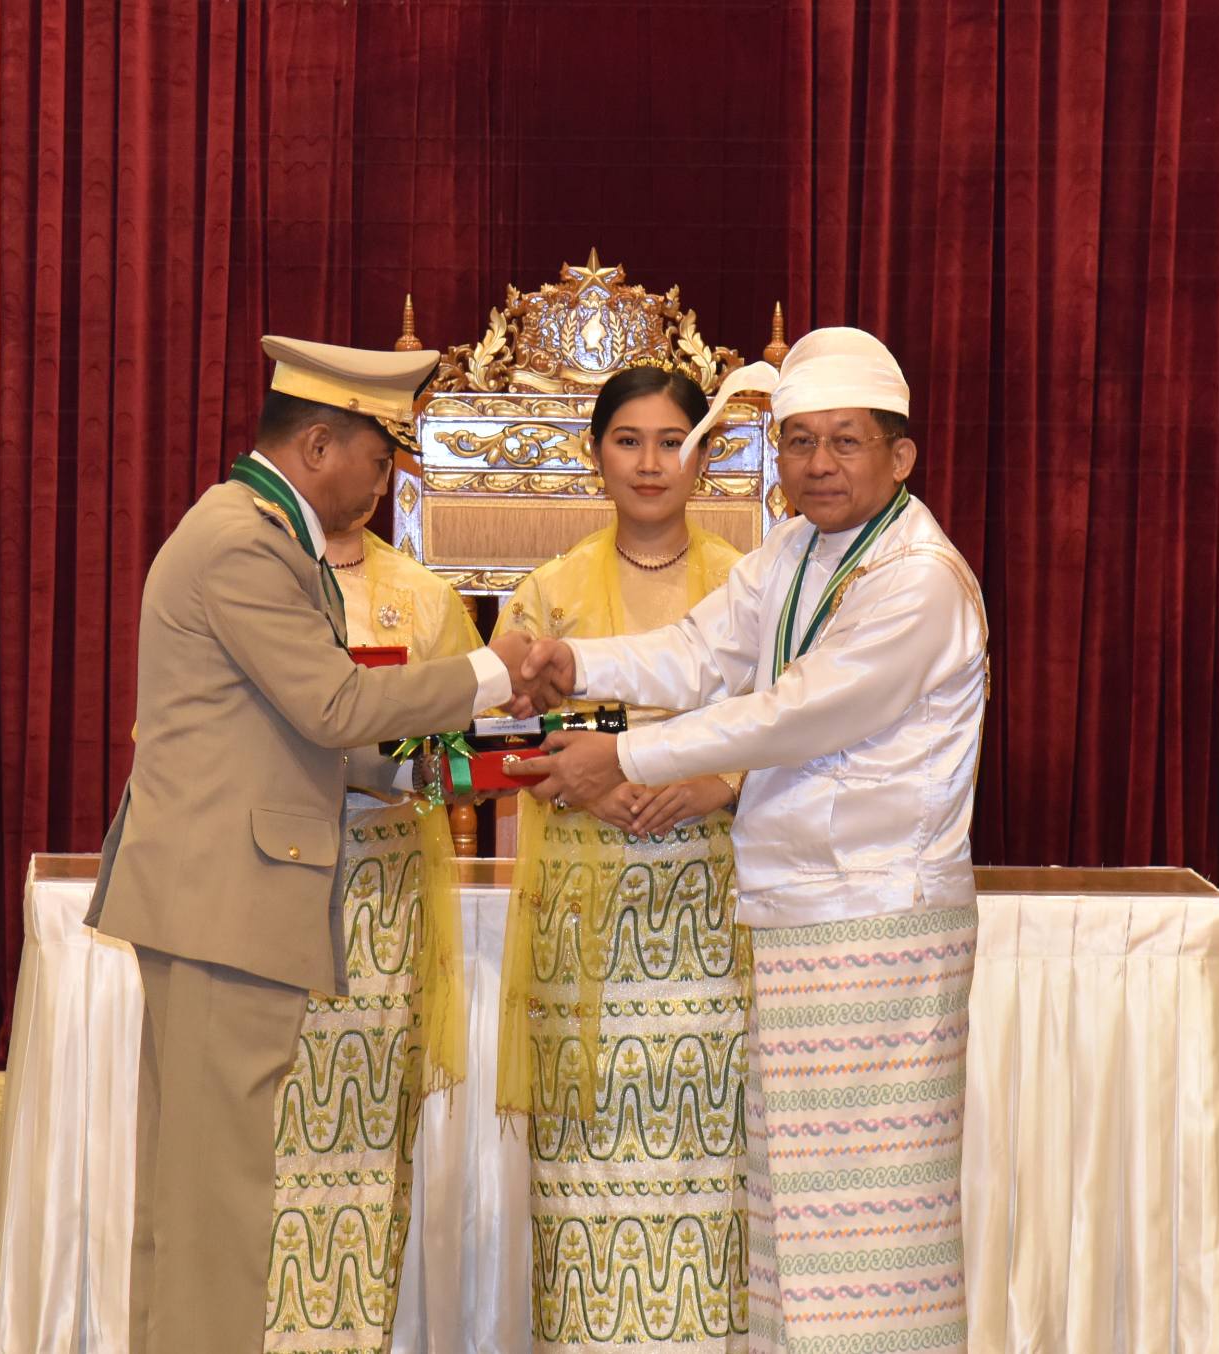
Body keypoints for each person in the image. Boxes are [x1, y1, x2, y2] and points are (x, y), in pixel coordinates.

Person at [507, 329, 989, 1354]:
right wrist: (575, 661)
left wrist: (623, 756)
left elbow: (789, 715)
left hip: (877, 922)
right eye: (799, 441)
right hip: (793, 914)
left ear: (901, 456)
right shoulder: (796, 552)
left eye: (845, 441)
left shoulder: (917, 578)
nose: (817, 463)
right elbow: (699, 651)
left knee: (867, 1229)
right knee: (790, 1221)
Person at [85, 335, 532, 1354]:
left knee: (194, 1193)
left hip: (216, 898)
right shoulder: (245, 541)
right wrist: (494, 673)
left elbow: (311, 733)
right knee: (215, 1204)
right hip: (221, 901)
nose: (384, 484)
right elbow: (333, 706)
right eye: (379, 459)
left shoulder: (265, 533)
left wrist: (436, 771)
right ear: (320, 444)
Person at [493, 363, 751, 1350]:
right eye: (628, 441)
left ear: (704, 456)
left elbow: (791, 726)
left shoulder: (747, 585)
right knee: (587, 1158)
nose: (650, 463)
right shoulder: (548, 593)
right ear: (593, 455)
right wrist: (591, 783)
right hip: (583, 920)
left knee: (705, 1154)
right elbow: (502, 736)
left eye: (672, 442)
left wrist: (709, 783)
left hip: (708, 916)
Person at [265, 506, 482, 1351]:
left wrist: (404, 769)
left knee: (367, 1140)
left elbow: (466, 760)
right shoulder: (252, 572)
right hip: (265, 880)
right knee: (260, 1131)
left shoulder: (422, 595)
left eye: (380, 454)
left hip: (383, 892)